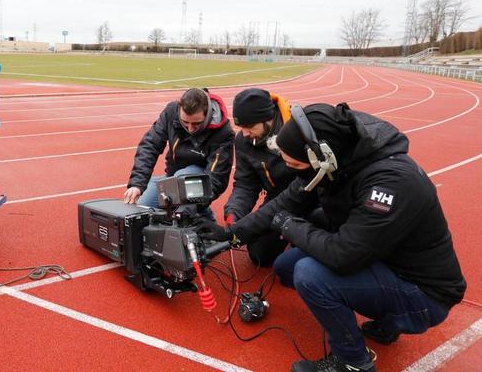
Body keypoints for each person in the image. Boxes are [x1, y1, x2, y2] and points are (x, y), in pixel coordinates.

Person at [199, 102, 466, 372]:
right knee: (286, 267)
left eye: (295, 164)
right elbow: (282, 205)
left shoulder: (391, 182)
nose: (294, 171)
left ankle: (353, 361)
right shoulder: (338, 160)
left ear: (320, 155)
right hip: (385, 258)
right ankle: (388, 322)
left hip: (424, 294)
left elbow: (343, 256)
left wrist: (289, 226)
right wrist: (230, 235)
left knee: (309, 274)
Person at [223, 88, 299, 266]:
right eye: (241, 127)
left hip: (311, 194)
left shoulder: (297, 130)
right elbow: (245, 183)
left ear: (268, 119)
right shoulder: (243, 141)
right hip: (277, 198)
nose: (245, 133)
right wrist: (234, 213)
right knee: (260, 255)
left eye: (250, 127)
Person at [124, 87, 234, 210]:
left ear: (207, 114)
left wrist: (196, 205)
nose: (190, 129)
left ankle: (201, 214)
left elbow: (217, 178)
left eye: (197, 124)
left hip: (200, 182)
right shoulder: (171, 113)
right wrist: (137, 184)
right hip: (172, 178)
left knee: (181, 189)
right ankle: (164, 187)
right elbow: (150, 145)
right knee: (141, 208)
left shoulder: (224, 133)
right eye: (185, 122)